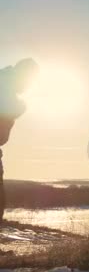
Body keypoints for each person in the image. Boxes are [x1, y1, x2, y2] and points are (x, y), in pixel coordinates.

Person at [0, 58, 37, 223]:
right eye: (29, 82)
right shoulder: (5, 87)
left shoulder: (6, 83)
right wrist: (19, 107)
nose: (28, 87)